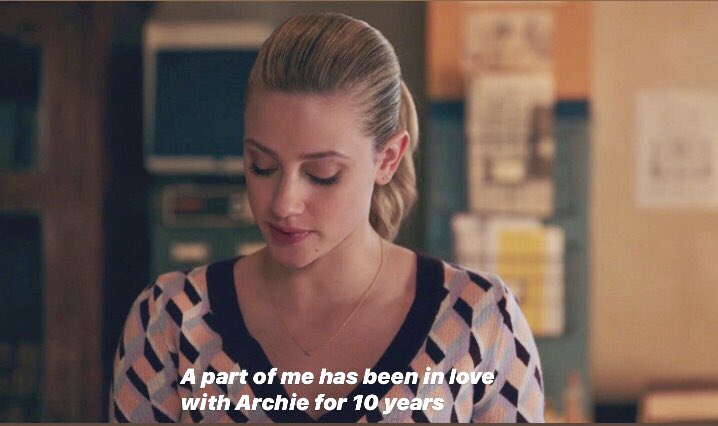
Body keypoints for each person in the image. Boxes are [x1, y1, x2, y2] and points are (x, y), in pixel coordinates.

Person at [110, 12, 544, 423]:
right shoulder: (170, 319)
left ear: (387, 159)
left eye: (322, 174)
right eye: (262, 166)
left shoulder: (479, 320)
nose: (284, 203)